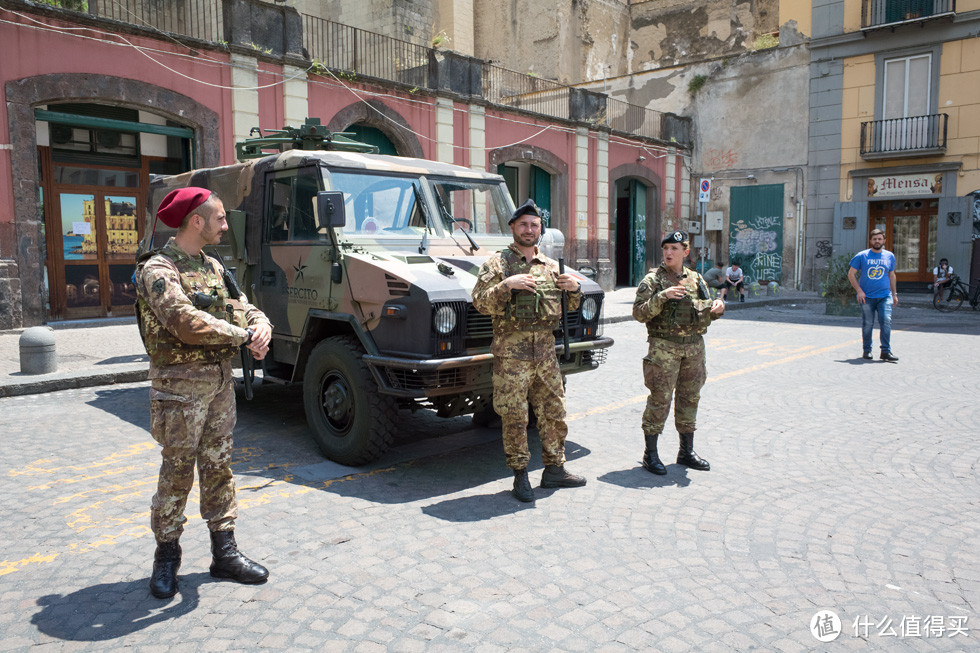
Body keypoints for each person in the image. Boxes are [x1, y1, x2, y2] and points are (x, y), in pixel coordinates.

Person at [135, 187, 274, 599]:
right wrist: (243, 336)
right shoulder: (158, 269)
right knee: (177, 471)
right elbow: (183, 320)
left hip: (217, 386)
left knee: (219, 466)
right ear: (196, 221)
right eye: (220, 218)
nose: (225, 225)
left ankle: (225, 553)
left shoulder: (212, 265)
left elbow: (242, 304)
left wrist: (260, 322)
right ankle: (166, 557)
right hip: (178, 390)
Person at [472, 199, 587, 503]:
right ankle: (520, 475)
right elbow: (480, 303)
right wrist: (506, 285)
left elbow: (570, 307)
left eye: (534, 225)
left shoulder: (551, 267)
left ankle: (555, 468)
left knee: (553, 411)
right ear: (512, 228)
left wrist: (574, 290)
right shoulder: (496, 264)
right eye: (523, 224)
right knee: (514, 416)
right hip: (512, 355)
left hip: (546, 353)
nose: (529, 229)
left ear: (540, 230)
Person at [633, 231, 726, 475]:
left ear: (685, 252)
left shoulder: (696, 279)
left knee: (690, 397)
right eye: (666, 248)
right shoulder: (653, 280)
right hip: (664, 347)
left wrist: (718, 307)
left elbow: (707, 310)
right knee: (660, 400)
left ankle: (686, 452)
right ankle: (650, 455)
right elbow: (639, 313)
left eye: (675, 248)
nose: (669, 252)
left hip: (694, 347)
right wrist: (662, 297)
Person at [847, 228, 898, 362]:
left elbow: (892, 275)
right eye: (874, 239)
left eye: (880, 239)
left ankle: (886, 351)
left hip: (885, 296)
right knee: (868, 323)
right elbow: (851, 274)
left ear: (884, 240)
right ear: (870, 241)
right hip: (867, 297)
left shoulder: (889, 256)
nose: (877, 241)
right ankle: (867, 350)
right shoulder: (862, 256)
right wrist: (859, 290)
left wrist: (894, 294)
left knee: (886, 321)